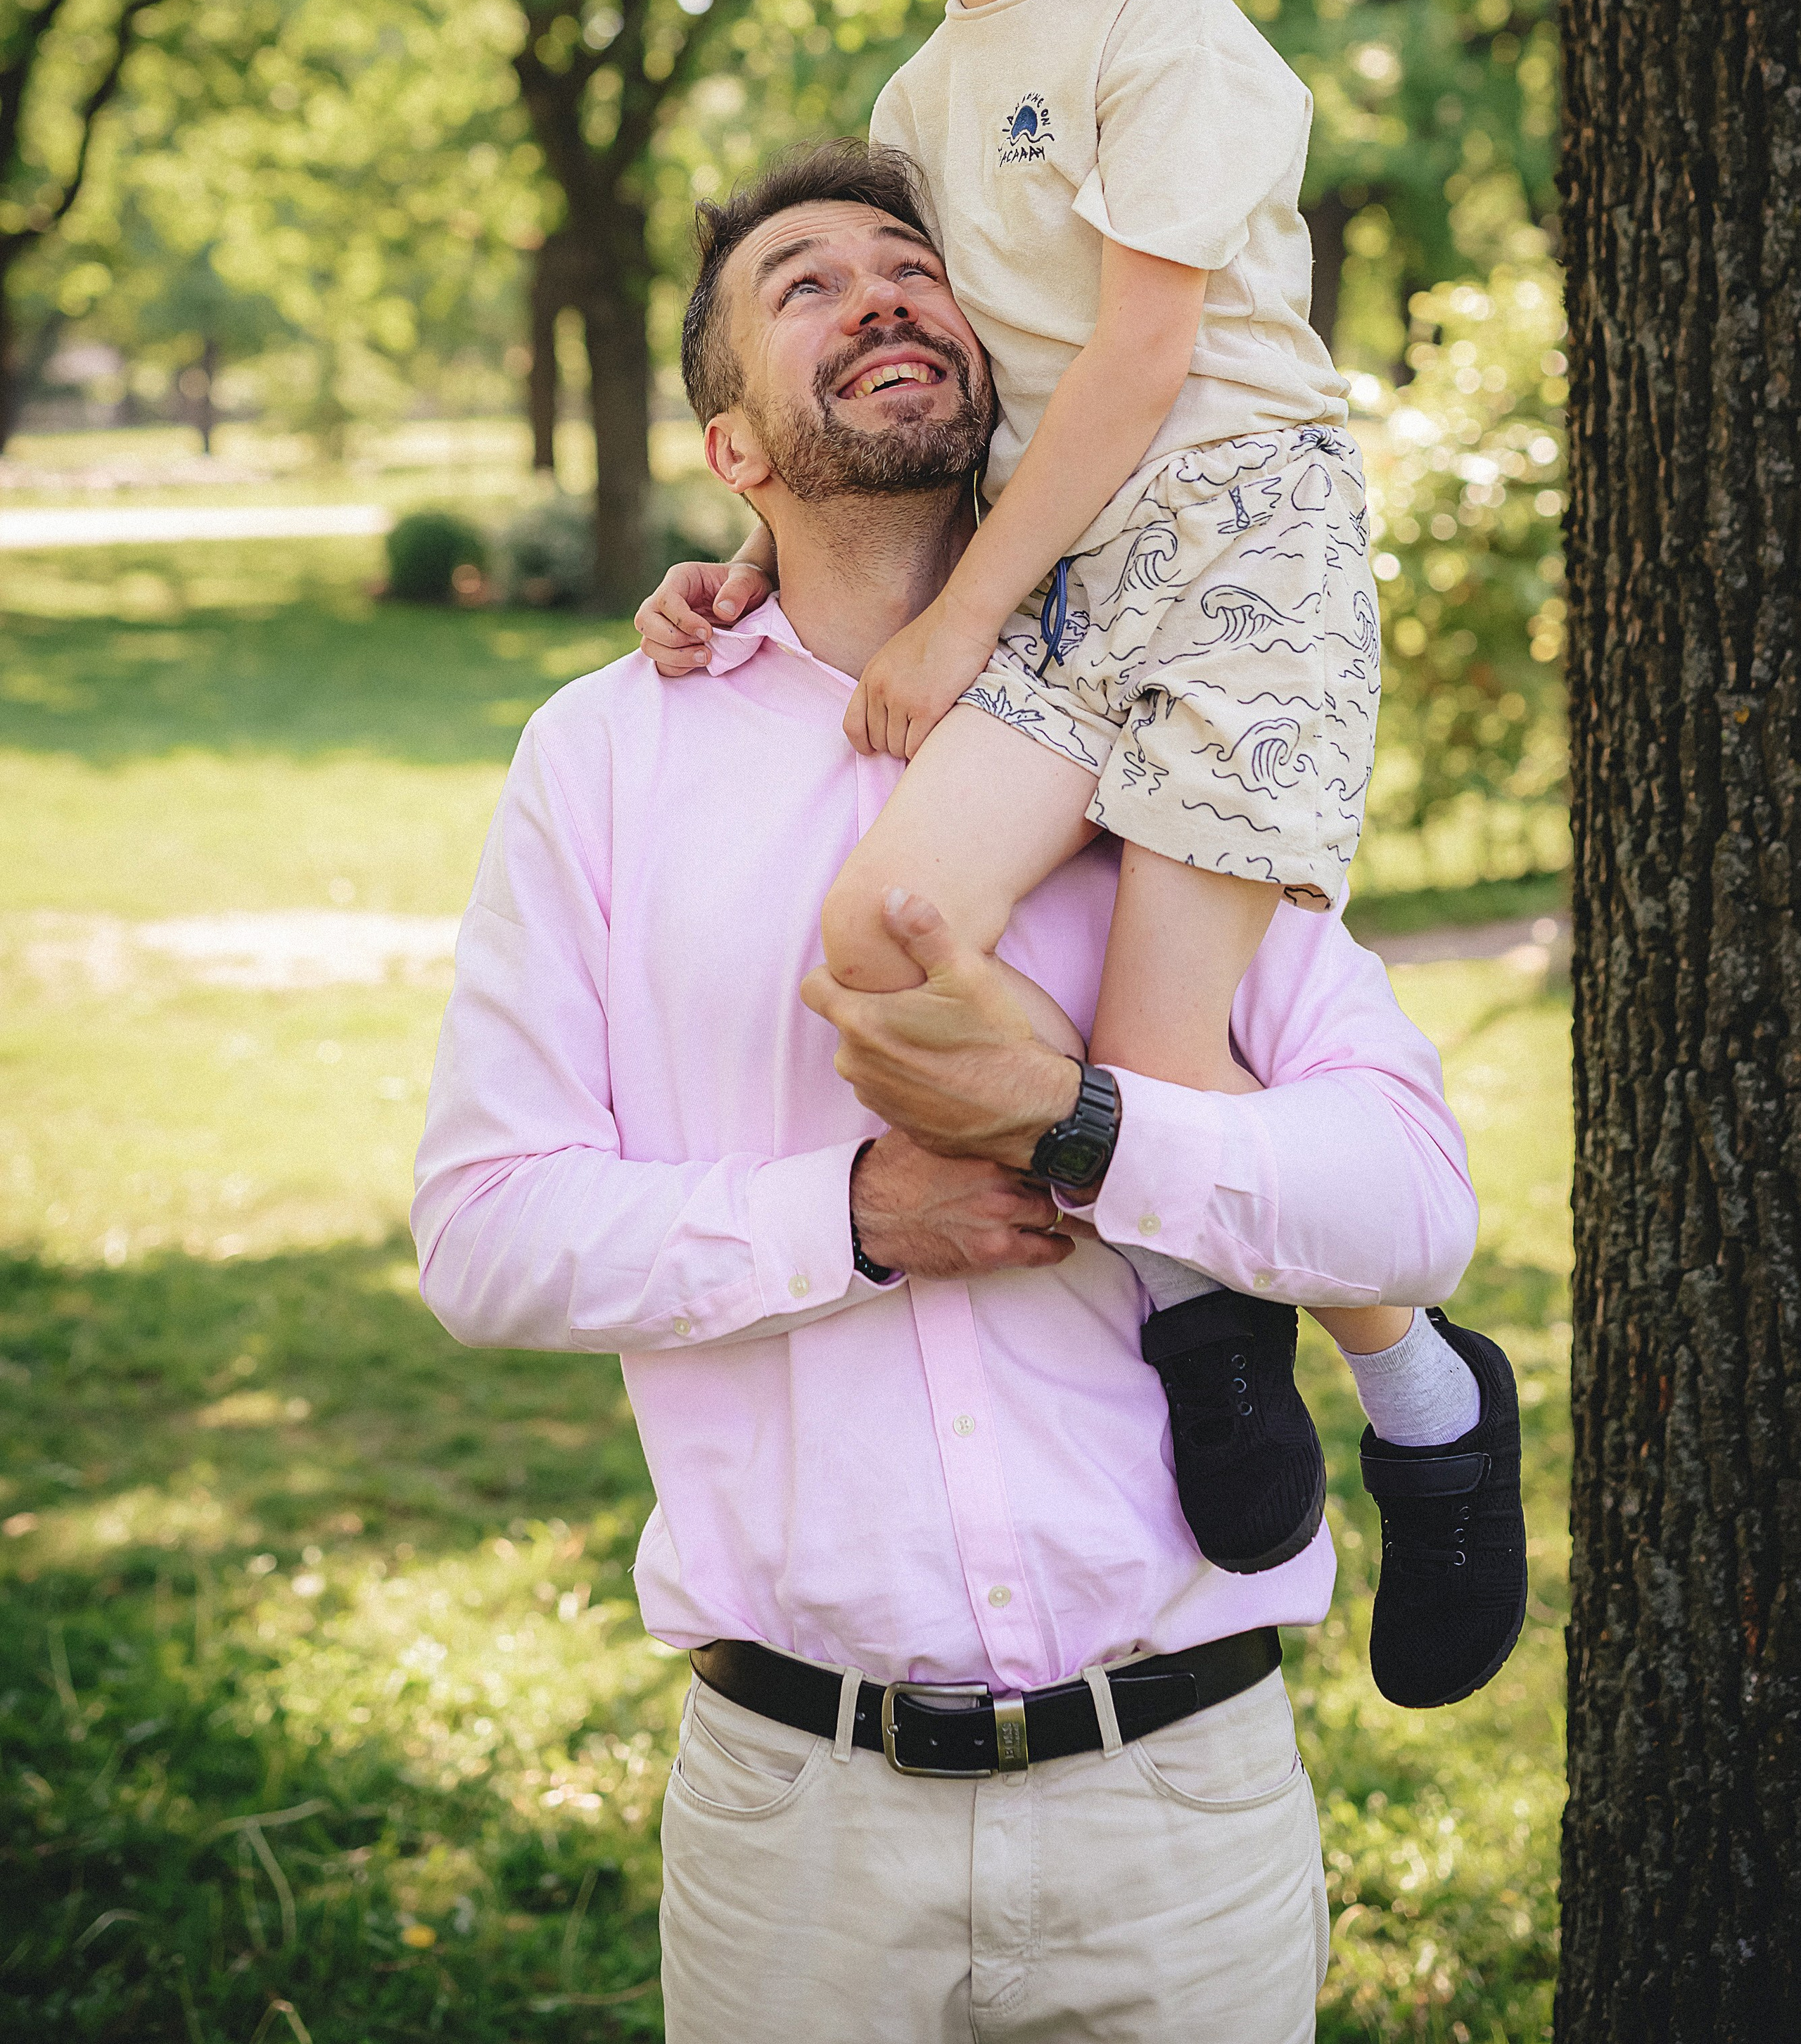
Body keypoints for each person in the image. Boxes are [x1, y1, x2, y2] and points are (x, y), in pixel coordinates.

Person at [415, 147, 1529, 2043]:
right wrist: (850, 1217)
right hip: (798, 1828)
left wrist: (1083, 1124)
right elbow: (487, 1233)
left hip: (1180, 1806)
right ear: (734, 449)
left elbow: (1411, 1198)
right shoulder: (606, 756)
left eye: (911, 267)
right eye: (804, 284)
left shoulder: (1173, 726)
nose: (879, 296)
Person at [636, 0, 1522, 1687]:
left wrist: (952, 638)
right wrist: (763, 556)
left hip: (1229, 547)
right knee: (877, 940)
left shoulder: (1161, 10)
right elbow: (963, 386)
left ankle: (1395, 1386)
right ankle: (1215, 1279)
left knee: (1153, 1048)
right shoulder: (932, 91)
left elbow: (1137, 365)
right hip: (1069, 555)